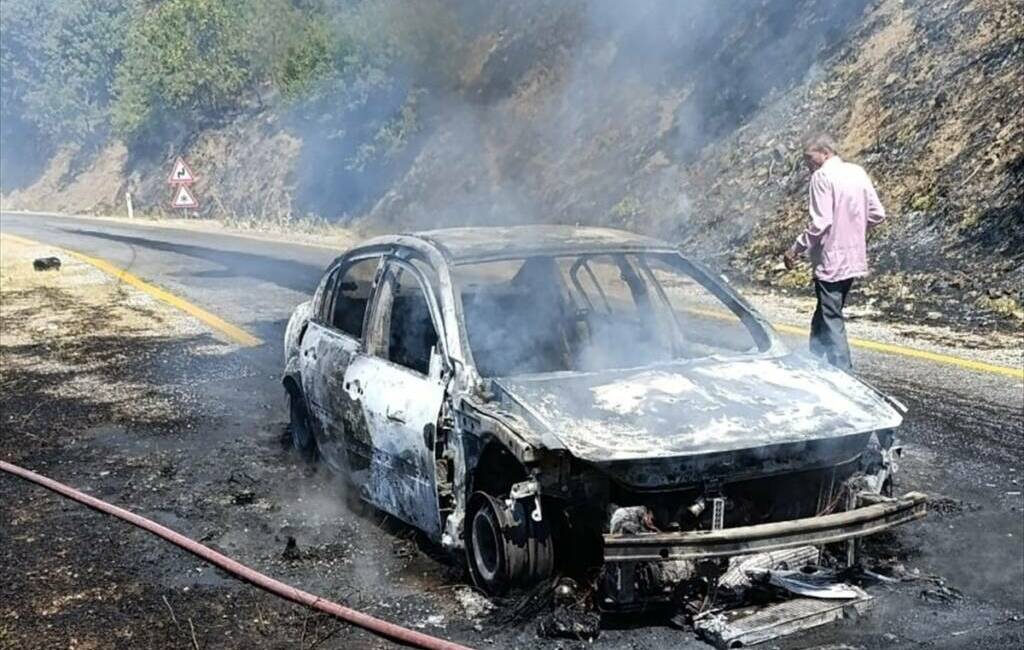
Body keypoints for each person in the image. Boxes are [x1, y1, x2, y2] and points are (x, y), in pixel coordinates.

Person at [783, 134, 886, 371]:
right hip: (854, 257)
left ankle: (843, 372)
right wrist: (854, 228)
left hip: (831, 259)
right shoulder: (857, 171)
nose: (807, 164)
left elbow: (821, 223)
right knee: (827, 309)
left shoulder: (822, 176)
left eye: (809, 157)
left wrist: (795, 248)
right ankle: (814, 359)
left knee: (831, 317)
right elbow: (877, 214)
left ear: (825, 153)